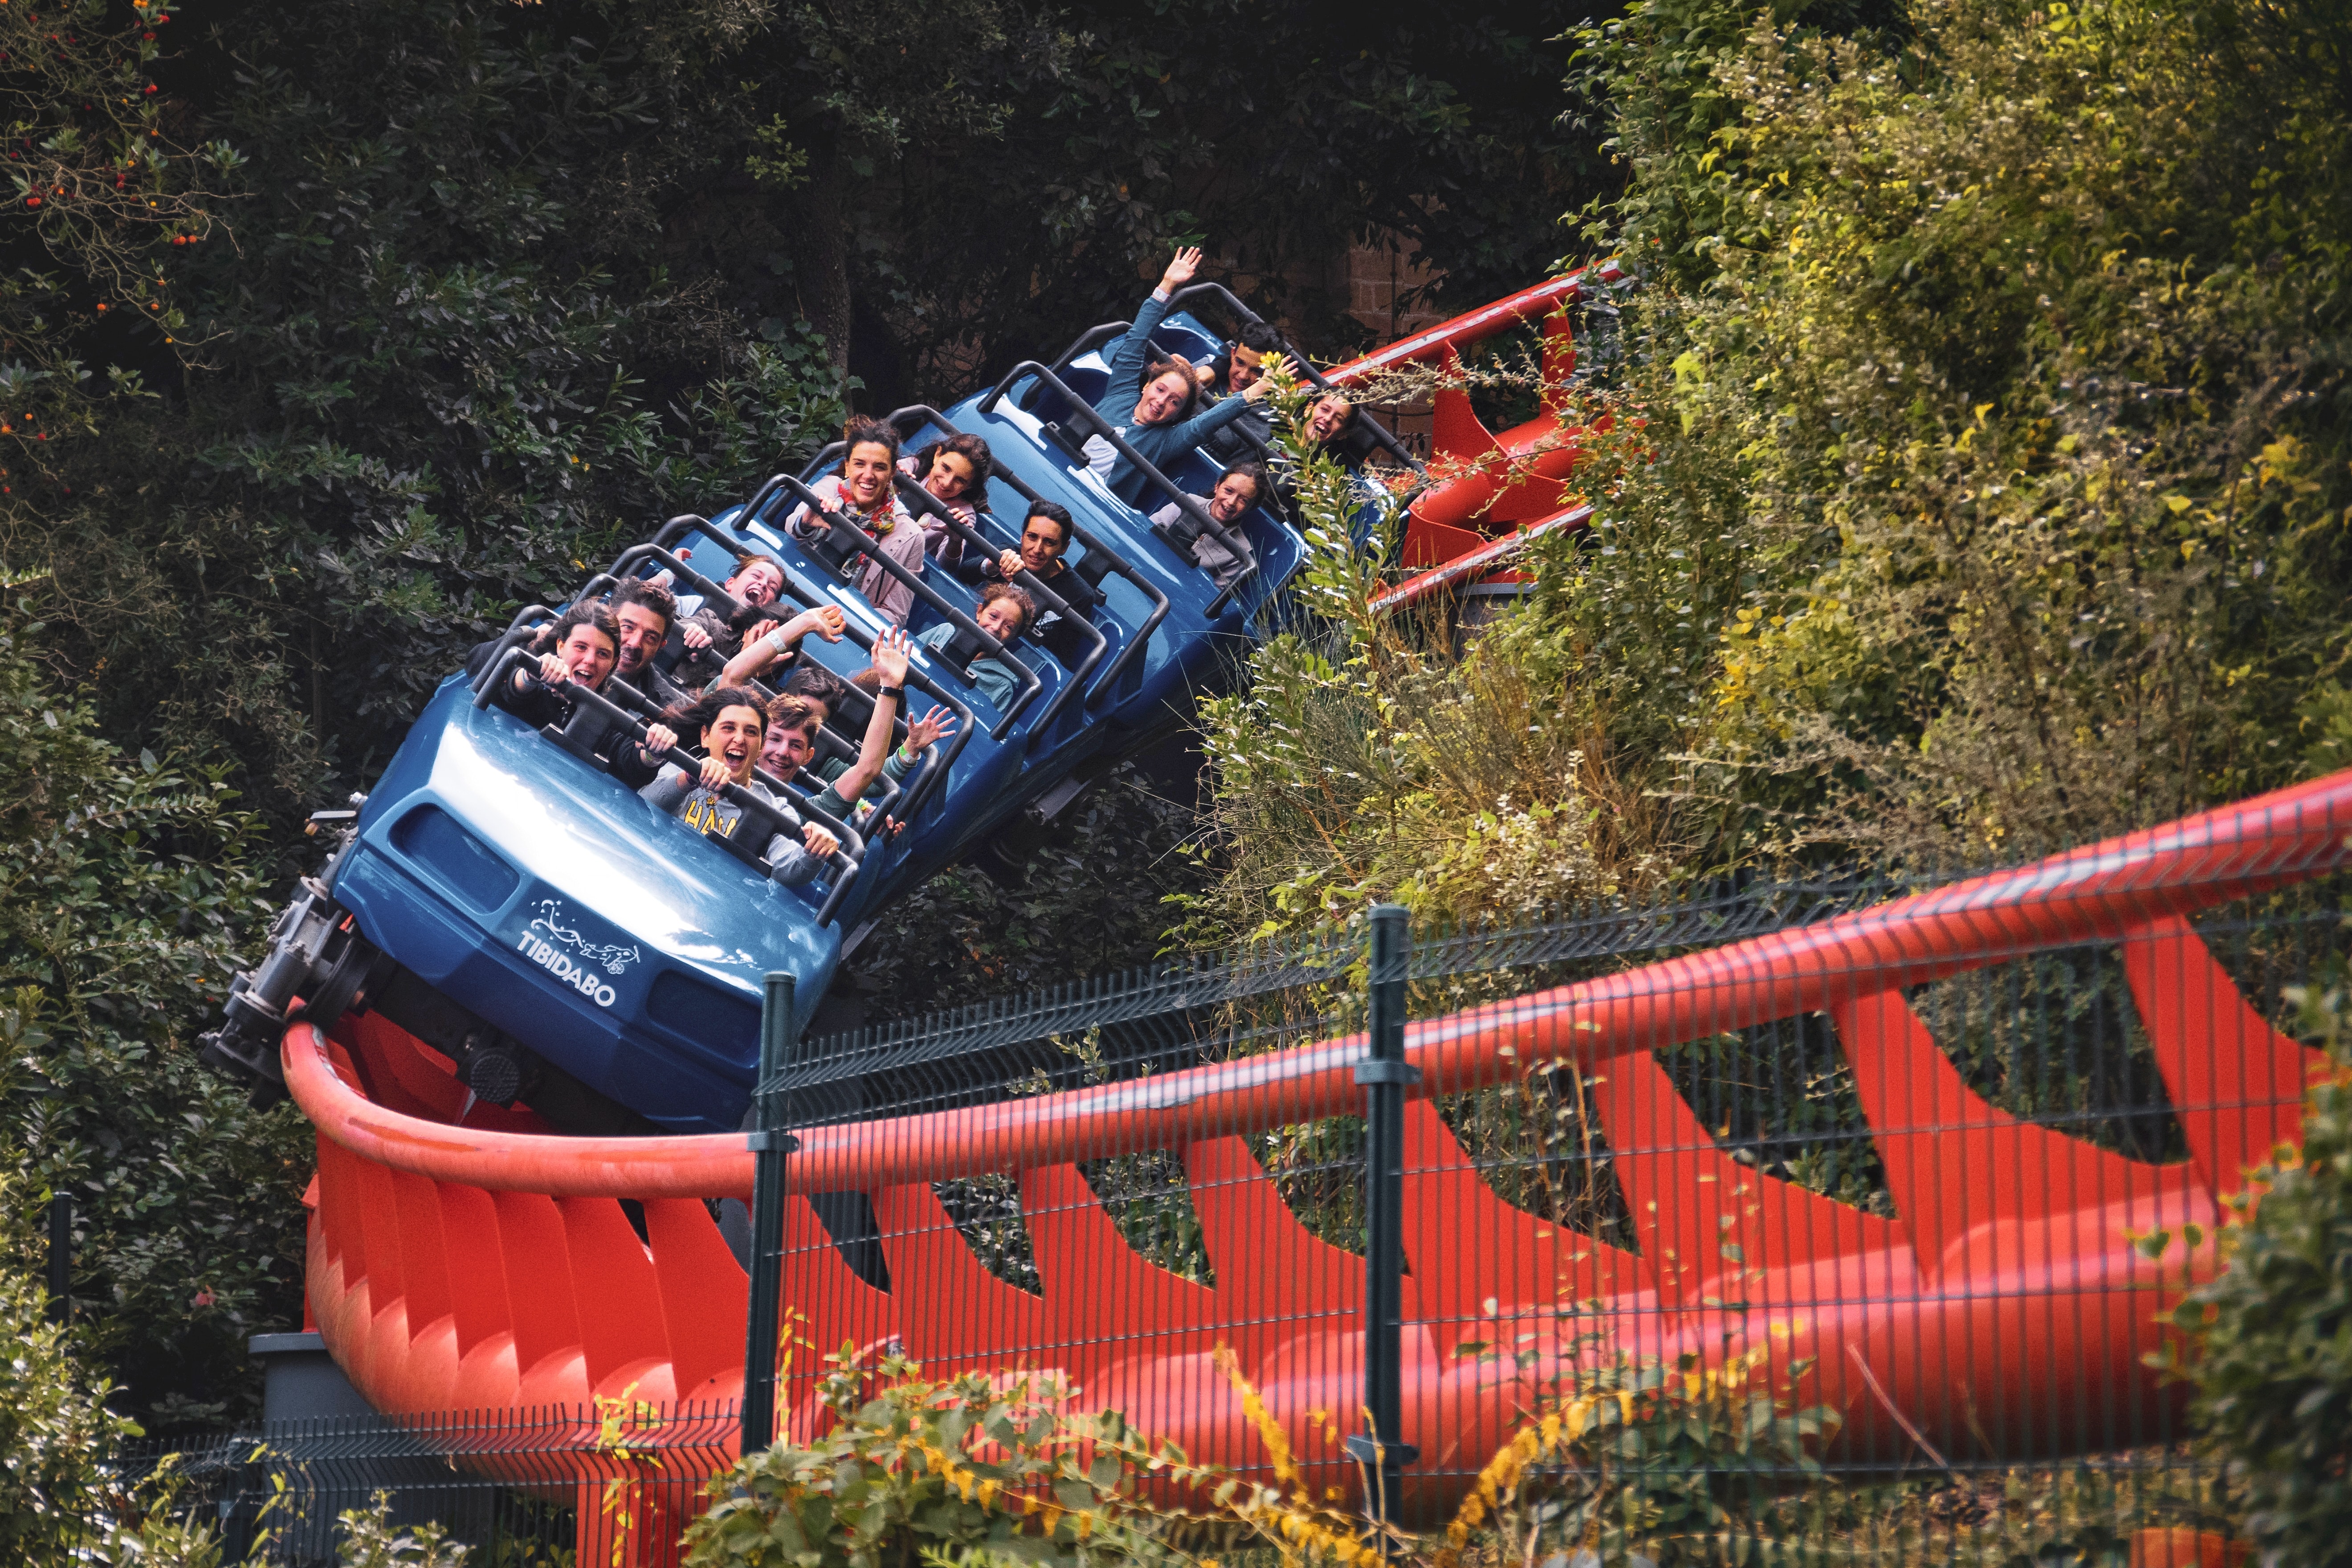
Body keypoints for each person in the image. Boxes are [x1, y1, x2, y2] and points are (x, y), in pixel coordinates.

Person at [1083, 246, 1286, 510]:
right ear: (1147, 384)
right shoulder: (1121, 394)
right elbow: (1135, 341)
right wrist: (1166, 286)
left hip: (1094, 505)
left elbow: (1206, 423)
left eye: (1175, 402)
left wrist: (1256, 392)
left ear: (1179, 413)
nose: (1161, 401)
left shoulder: (1164, 441)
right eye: (1160, 390)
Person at [638, 687, 841, 887]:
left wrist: (815, 850)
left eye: (751, 732)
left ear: (761, 746)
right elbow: (643, 803)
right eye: (728, 728)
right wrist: (690, 778)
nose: (739, 739)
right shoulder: (680, 767)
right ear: (705, 737)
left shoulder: (774, 808)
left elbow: (787, 871)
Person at [759, 631, 955, 830]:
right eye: (776, 738)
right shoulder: (735, 746)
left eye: (813, 725)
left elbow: (866, 773)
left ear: (809, 755)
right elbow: (733, 676)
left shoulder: (795, 811)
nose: (783, 751)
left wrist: (890, 688)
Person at [787, 417, 927, 626]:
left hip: (843, 622)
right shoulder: (830, 489)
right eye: (859, 464)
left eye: (879, 467)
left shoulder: (910, 535)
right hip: (797, 589)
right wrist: (806, 522)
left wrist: (847, 617)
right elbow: (790, 530)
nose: (868, 475)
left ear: (892, 473)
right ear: (847, 467)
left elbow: (895, 614)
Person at [950, 500, 1102, 666]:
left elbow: (1061, 656)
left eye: (1049, 542)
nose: (1037, 549)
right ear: (1022, 536)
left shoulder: (1079, 595)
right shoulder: (1009, 554)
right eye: (1032, 537)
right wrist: (993, 565)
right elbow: (964, 575)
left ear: (1064, 548)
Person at [477, 603, 619, 731]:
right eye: (581, 647)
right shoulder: (539, 670)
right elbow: (477, 662)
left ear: (613, 663)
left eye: (603, 654)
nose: (590, 660)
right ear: (561, 647)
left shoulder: (609, 711)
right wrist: (531, 675)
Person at [667, 553, 795, 689]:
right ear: (730, 584)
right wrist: (688, 631)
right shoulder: (702, 610)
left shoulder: (769, 654)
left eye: (772, 587)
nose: (763, 584)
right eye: (756, 576)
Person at [1149, 462, 1267, 591]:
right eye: (1229, 491)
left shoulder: (1240, 553)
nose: (1231, 502)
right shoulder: (1187, 503)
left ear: (1251, 507)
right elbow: (1146, 533)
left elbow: (1210, 594)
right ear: (1217, 486)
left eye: (1243, 500)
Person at [920, 582, 1035, 713]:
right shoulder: (944, 632)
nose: (996, 627)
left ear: (1013, 637)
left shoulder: (1002, 685)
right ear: (980, 611)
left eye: (1008, 627)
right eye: (993, 616)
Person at [899, 433, 992, 568]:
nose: (947, 483)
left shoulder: (964, 514)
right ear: (938, 455)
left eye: (960, 480)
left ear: (970, 486)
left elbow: (945, 567)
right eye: (946, 468)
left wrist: (955, 541)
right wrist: (893, 479)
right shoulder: (914, 467)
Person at [1200, 320, 1284, 465]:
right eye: (1240, 362)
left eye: (1257, 370)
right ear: (1232, 354)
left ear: (1270, 373)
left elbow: (1225, 476)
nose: (1243, 376)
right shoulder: (1205, 371)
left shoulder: (1260, 425)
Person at [720, 601, 847, 690]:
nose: (764, 649)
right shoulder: (710, 632)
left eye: (776, 645)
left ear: (787, 658)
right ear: (746, 633)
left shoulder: (771, 703)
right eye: (764, 637)